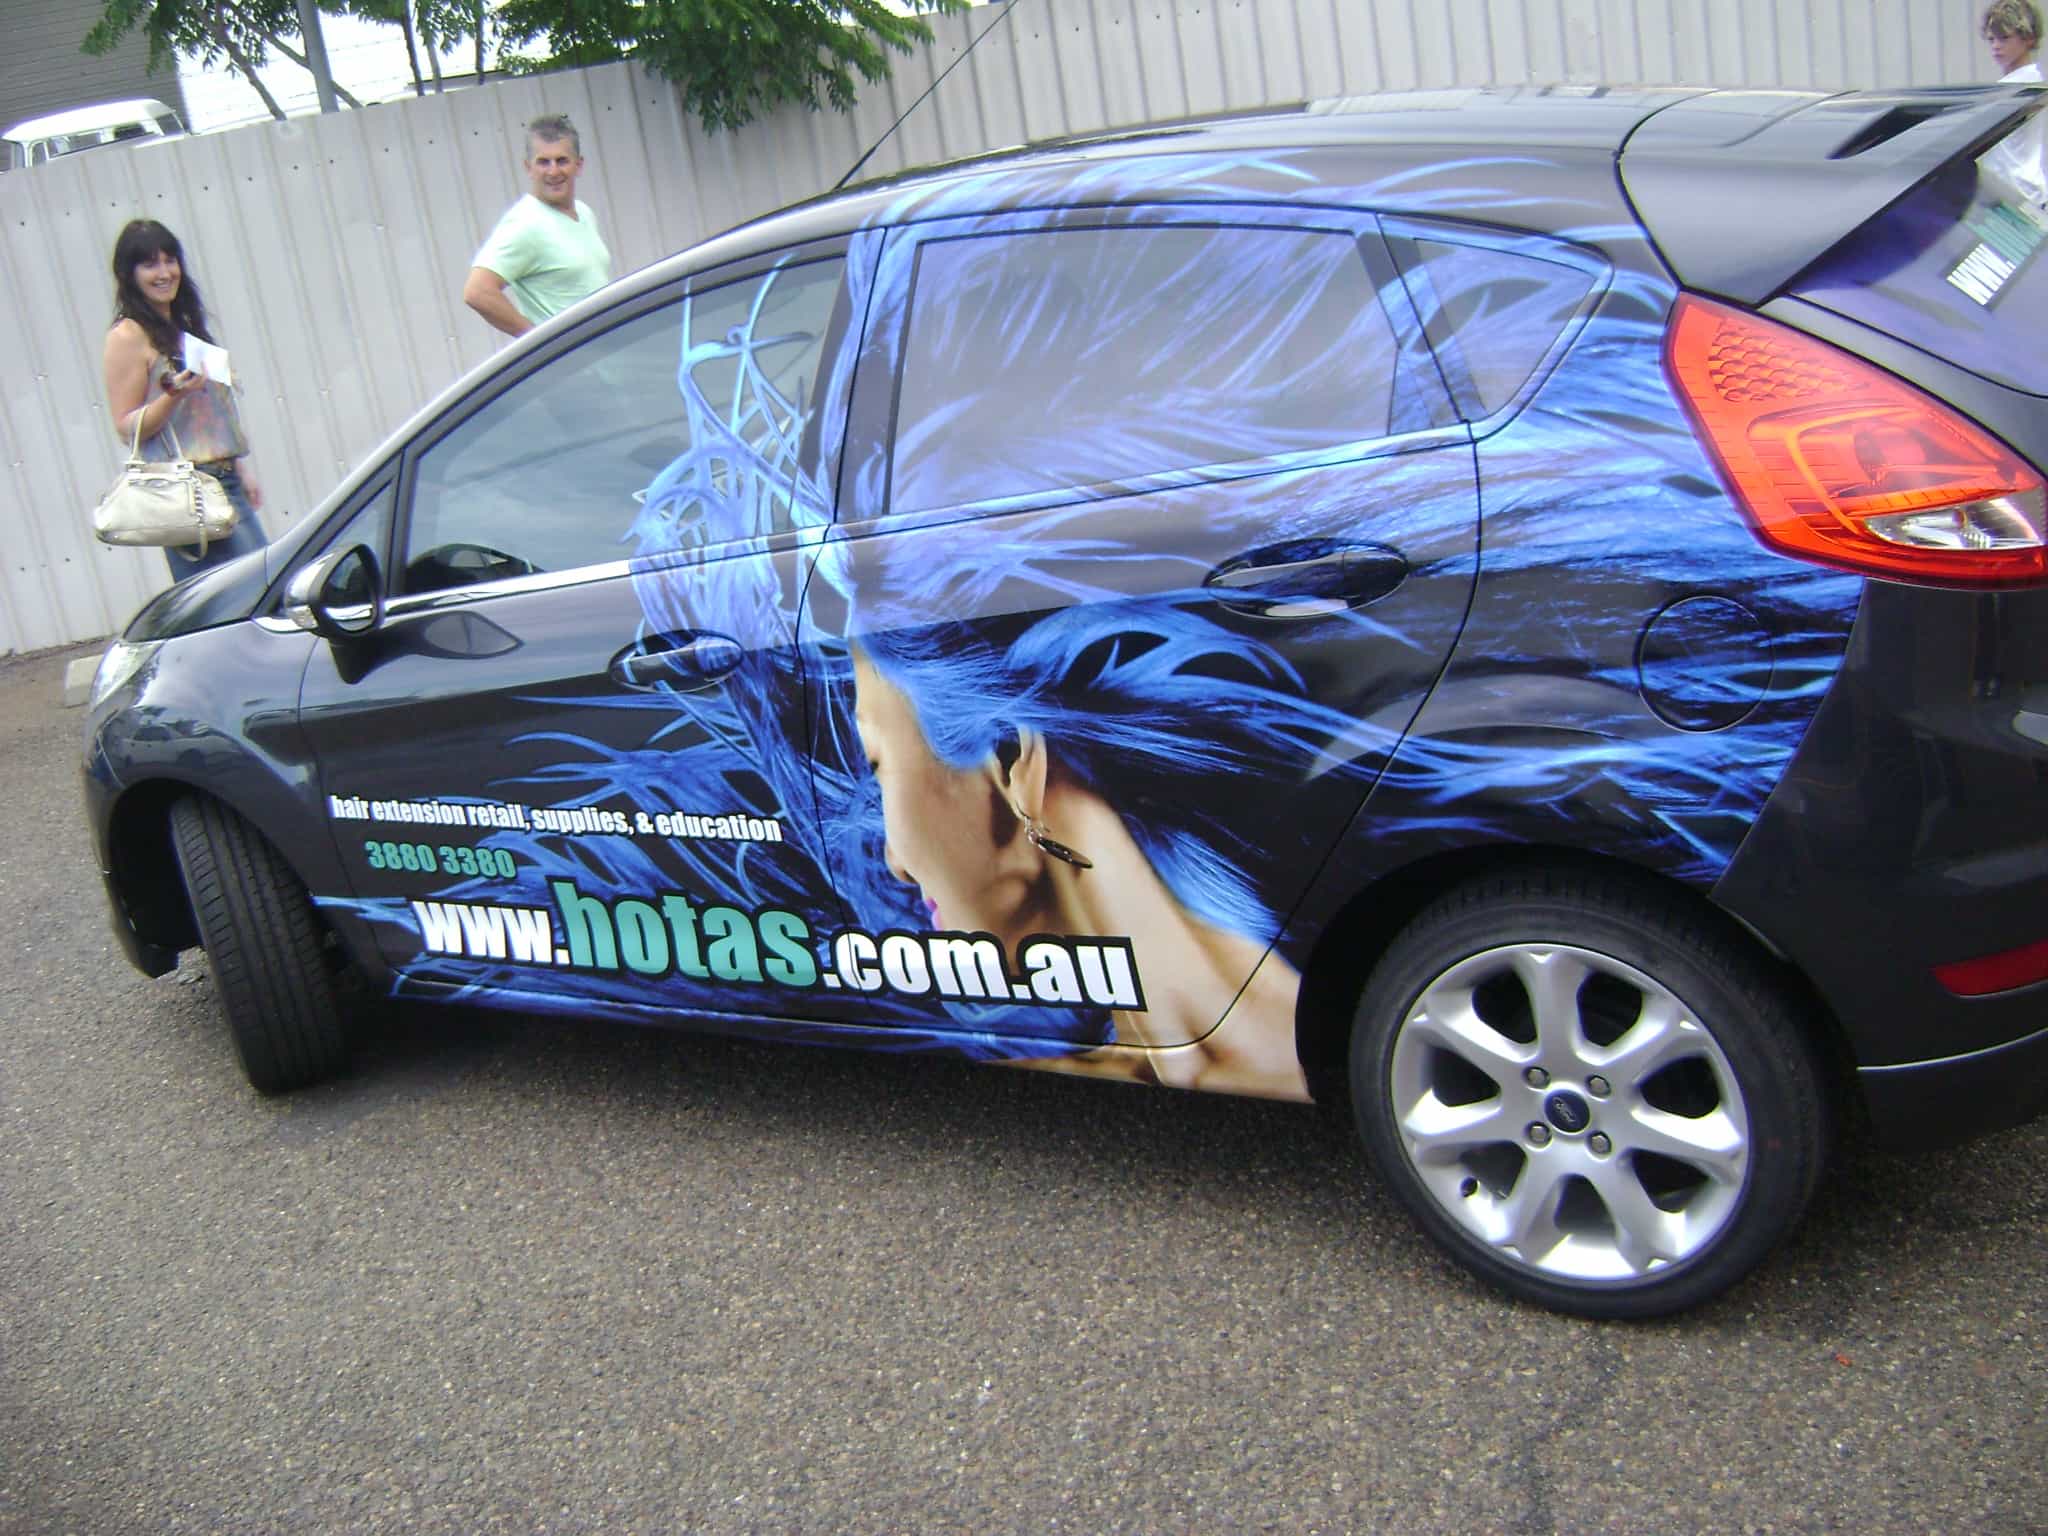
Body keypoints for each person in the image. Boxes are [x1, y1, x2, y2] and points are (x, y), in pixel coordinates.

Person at [100, 219, 266, 579]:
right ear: (128, 274)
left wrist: (240, 469)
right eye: (150, 264)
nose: (164, 273)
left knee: (255, 588)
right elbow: (126, 426)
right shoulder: (128, 335)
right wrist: (173, 396)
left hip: (224, 480)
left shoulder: (182, 324)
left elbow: (212, 415)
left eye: (169, 260)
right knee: (244, 594)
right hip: (187, 492)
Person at [463, 114, 612, 338]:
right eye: (543, 162)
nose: (553, 171)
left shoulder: (584, 213)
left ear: (579, 165)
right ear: (528, 167)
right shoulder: (526, 223)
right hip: (576, 357)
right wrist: (541, 340)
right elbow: (477, 292)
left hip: (604, 350)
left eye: (562, 160)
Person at [1985, 0, 2042, 80]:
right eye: (1991, 39)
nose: (1995, 46)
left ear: (2029, 38)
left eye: (2004, 37)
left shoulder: (2026, 80)